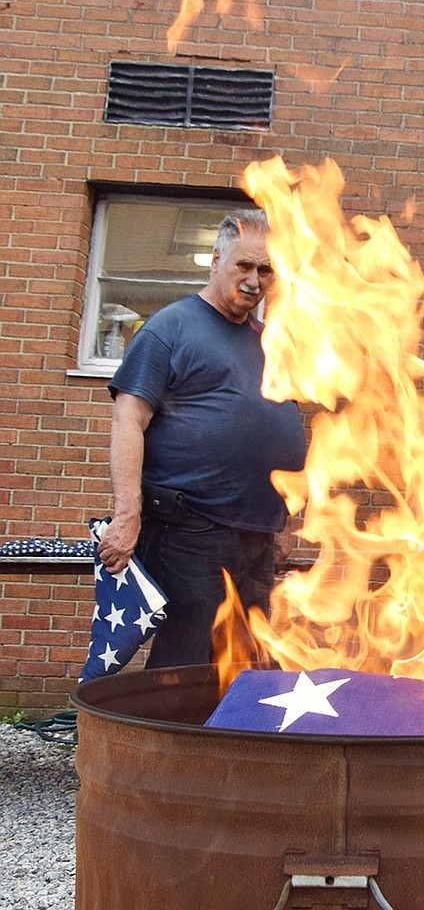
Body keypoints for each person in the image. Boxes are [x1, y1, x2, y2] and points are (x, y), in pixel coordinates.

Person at [96, 208, 307, 669]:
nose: (255, 280)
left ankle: (226, 741)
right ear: (216, 261)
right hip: (191, 528)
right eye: (244, 266)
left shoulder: (270, 343)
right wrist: (126, 516)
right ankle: (169, 743)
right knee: (188, 662)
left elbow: (285, 433)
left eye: (266, 270)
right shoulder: (170, 328)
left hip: (255, 533)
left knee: (247, 657)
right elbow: (127, 421)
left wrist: (284, 520)